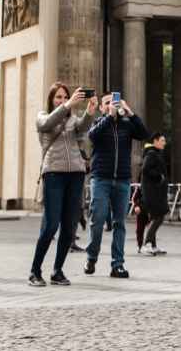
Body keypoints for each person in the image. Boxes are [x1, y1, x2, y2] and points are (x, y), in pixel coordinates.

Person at [29, 83, 96, 286]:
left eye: (65, 96)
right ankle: (35, 271)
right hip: (54, 174)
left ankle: (57, 271)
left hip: (75, 174)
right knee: (51, 225)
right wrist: (67, 106)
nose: (62, 99)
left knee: (69, 226)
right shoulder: (43, 115)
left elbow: (83, 128)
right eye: (58, 97)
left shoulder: (72, 119)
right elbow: (46, 124)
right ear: (51, 99)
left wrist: (89, 112)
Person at [84, 93, 148, 278]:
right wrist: (109, 117)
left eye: (115, 101)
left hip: (122, 180)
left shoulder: (127, 125)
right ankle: (91, 257)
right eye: (107, 103)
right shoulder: (98, 123)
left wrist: (131, 113)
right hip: (101, 179)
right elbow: (92, 137)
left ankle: (117, 265)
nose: (112, 104)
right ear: (102, 108)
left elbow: (144, 134)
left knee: (120, 223)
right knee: (98, 221)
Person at [138, 133, 169, 255]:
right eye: (162, 140)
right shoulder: (151, 154)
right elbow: (145, 170)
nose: (164, 143)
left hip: (155, 191)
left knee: (156, 217)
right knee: (159, 217)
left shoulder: (154, 153)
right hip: (152, 192)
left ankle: (153, 246)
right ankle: (146, 244)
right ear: (155, 141)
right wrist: (159, 177)